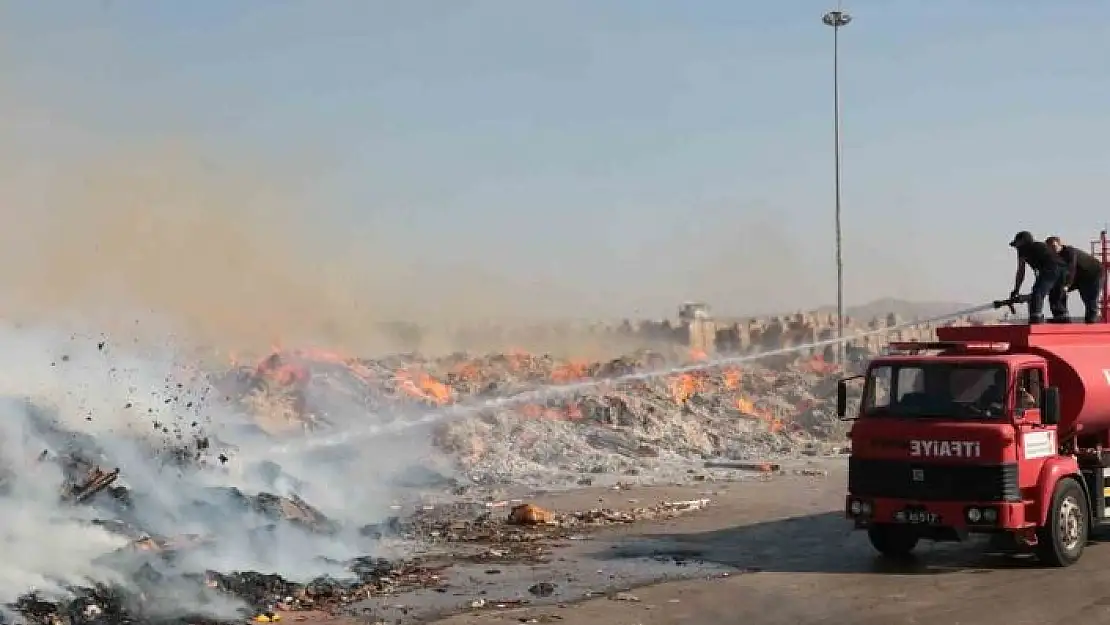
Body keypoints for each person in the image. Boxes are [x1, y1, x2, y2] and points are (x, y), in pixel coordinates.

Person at [1010, 231, 1066, 324]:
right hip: (1063, 270)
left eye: (1017, 244)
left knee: (1038, 293)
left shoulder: (1024, 250)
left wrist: (1016, 289)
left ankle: (1036, 319)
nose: (1016, 248)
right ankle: (1063, 320)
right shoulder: (1039, 246)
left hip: (1052, 269)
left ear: (1023, 242)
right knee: (1055, 298)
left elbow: (1021, 271)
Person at [1047, 235, 1105, 323]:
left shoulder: (1069, 251)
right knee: (1057, 289)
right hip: (1078, 277)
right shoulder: (1053, 257)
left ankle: (1091, 321)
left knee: (1090, 299)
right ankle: (1061, 315)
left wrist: (1067, 285)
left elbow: (1071, 268)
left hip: (1093, 274)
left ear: (1060, 245)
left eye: (1054, 247)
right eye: (1050, 248)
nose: (1053, 250)